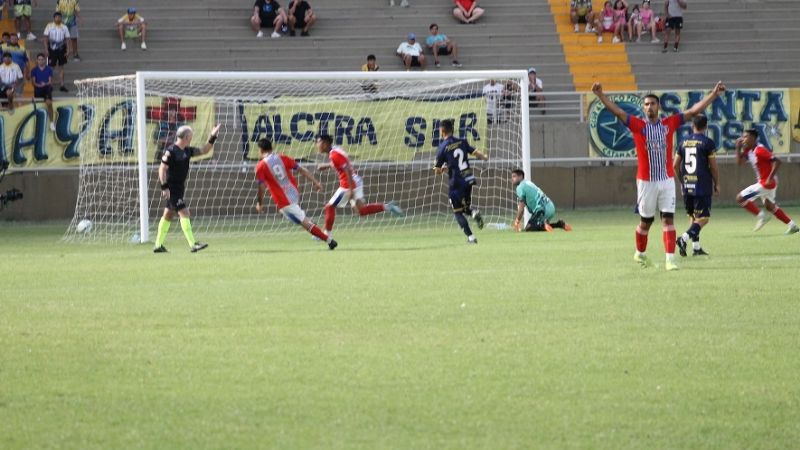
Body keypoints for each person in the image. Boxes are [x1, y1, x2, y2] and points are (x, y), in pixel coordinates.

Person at [591, 80, 725, 271]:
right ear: (643, 108)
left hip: (666, 180)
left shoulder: (669, 124)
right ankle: (640, 253)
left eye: (653, 103)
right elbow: (618, 112)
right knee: (646, 222)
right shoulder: (638, 125)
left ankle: (670, 260)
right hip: (646, 182)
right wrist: (601, 95)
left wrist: (714, 95)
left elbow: (693, 111)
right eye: (646, 104)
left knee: (668, 219)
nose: (650, 107)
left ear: (658, 107)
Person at [254, 138, 338, 250]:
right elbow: (302, 170)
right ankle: (313, 227)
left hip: (284, 200)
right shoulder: (282, 157)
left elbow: (261, 187)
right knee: (294, 217)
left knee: (304, 223)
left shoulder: (260, 166)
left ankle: (329, 240)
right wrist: (316, 182)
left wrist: (260, 203)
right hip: (293, 193)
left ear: (260, 150)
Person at [315, 134, 404, 238]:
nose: (317, 145)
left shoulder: (334, 154)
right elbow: (339, 163)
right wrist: (325, 166)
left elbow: (346, 169)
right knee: (361, 211)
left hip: (348, 184)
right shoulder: (335, 150)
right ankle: (387, 206)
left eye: (318, 142)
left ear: (325, 143)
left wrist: (351, 190)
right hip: (355, 180)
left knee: (329, 207)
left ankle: (326, 235)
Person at [153, 123, 222, 253]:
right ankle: (193, 244)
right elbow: (162, 168)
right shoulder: (171, 151)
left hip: (179, 188)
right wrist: (164, 187)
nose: (192, 136)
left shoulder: (187, 150)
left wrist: (213, 136)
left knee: (168, 215)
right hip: (172, 188)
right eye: (191, 134)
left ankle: (158, 245)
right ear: (186, 137)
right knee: (184, 213)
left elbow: (204, 150)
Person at [734, 129, 799, 235]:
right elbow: (739, 163)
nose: (743, 139)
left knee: (740, 198)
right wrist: (738, 148)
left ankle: (762, 217)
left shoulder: (760, 150)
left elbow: (777, 161)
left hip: (766, 183)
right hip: (766, 183)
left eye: (746, 137)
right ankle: (793, 226)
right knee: (770, 206)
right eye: (743, 136)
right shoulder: (749, 150)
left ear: (753, 138)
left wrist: (769, 178)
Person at [433, 119, 488, 244]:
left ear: (442, 131)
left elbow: (436, 170)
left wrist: (442, 170)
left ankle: (471, 238)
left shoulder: (442, 147)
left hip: (456, 183)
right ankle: (474, 212)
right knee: (465, 207)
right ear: (452, 129)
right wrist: (484, 157)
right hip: (468, 179)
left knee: (457, 212)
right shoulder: (462, 141)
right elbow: (474, 152)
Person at [673, 115, 719, 256]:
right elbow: (713, 167)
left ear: (692, 126)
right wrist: (716, 183)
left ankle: (696, 248)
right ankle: (684, 238)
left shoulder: (682, 142)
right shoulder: (708, 143)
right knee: (703, 218)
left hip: (687, 185)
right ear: (706, 127)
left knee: (693, 217)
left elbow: (675, 165)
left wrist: (682, 182)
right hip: (702, 185)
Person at [43, 12, 70, 92]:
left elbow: (68, 39)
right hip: (51, 48)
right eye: (56, 17)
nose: (58, 18)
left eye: (59, 17)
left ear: (61, 18)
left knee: (61, 67)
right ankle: (49, 84)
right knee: (50, 67)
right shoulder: (49, 26)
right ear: (54, 18)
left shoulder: (64, 27)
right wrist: (46, 49)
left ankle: (62, 85)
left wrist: (68, 50)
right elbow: (45, 38)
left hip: (61, 48)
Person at [30, 53, 55, 131]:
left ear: (45, 60)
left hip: (47, 88)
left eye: (42, 59)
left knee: (49, 103)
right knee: (36, 105)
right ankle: (38, 123)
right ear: (37, 61)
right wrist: (38, 85)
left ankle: (51, 123)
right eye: (39, 59)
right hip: (37, 89)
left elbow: (50, 81)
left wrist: (45, 84)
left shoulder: (49, 69)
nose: (41, 61)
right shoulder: (34, 70)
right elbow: (33, 82)